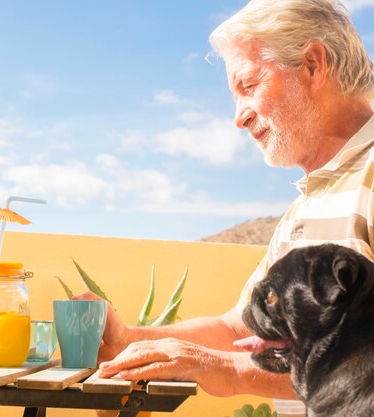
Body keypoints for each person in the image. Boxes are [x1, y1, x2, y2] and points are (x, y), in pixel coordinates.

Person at [87, 0, 374, 414]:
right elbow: (239, 328)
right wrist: (130, 340)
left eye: (249, 85)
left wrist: (231, 371)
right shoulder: (312, 199)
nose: (238, 117)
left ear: (313, 65)